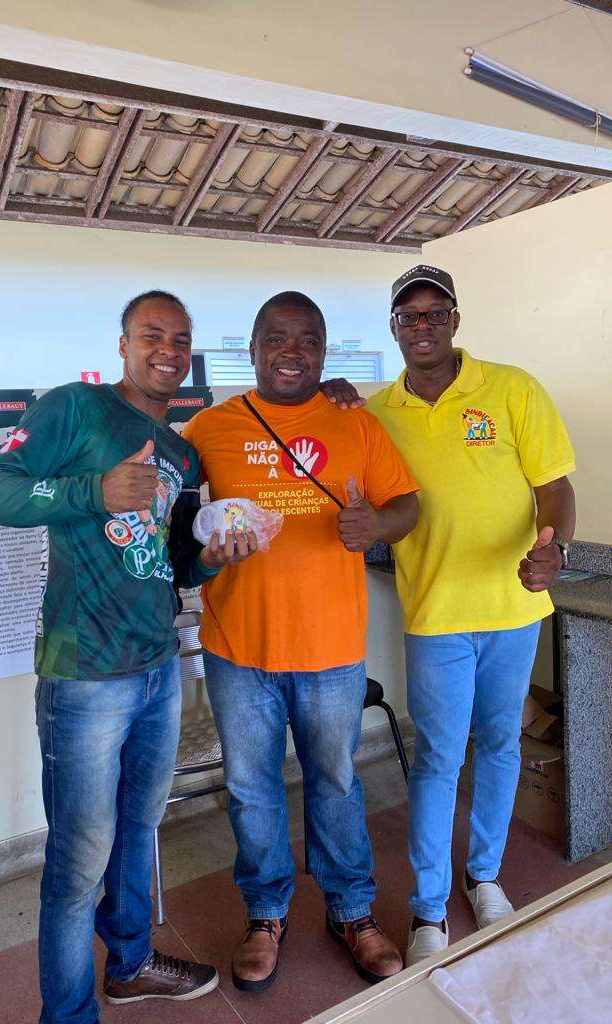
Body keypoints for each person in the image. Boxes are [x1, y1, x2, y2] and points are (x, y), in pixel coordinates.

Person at [0, 291, 257, 1024]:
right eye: (152, 334)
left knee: (137, 833)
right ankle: (67, 1015)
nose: (168, 350)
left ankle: (129, 965)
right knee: (77, 862)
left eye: (181, 339)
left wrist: (215, 558)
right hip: (84, 676)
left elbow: (174, 563)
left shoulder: (181, 452)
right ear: (123, 344)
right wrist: (94, 489)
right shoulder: (74, 407)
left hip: (158, 668)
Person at [335, 264, 576, 965]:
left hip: (513, 608)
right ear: (394, 328)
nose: (422, 326)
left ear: (455, 321)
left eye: (434, 313)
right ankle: (429, 908)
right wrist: (329, 394)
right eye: (408, 316)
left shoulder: (512, 389)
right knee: (439, 756)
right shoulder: (378, 414)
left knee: (501, 743)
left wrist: (555, 547)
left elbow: (554, 487)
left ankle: (486, 876)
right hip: (436, 614)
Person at [182, 291, 419, 990]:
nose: (293, 351)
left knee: (336, 782)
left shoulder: (357, 422)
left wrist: (377, 527)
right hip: (238, 648)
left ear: (324, 351)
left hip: (330, 648)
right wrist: (205, 553)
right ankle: (265, 915)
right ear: (252, 348)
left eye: (309, 339)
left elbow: (406, 504)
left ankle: (351, 911)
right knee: (251, 789)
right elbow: (176, 529)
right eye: (278, 337)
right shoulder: (208, 428)